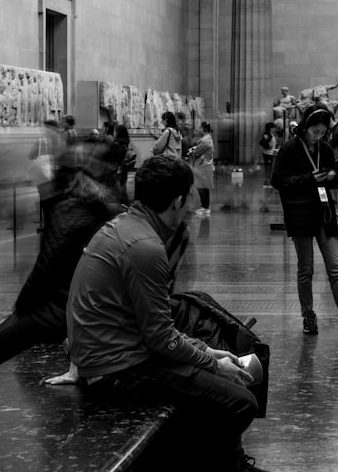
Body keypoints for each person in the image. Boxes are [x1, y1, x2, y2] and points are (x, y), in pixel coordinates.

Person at [66, 155, 268, 472]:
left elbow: (154, 326)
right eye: (188, 199)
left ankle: (230, 463)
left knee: (220, 376)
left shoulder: (125, 226)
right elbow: (160, 338)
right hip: (116, 371)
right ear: (176, 201)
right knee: (241, 402)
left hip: (116, 353)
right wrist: (213, 365)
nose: (189, 207)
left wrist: (206, 351)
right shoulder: (145, 246)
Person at [0, 169, 120, 390]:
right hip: (85, 305)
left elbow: (45, 268)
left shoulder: (67, 211)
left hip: (61, 309)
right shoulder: (100, 210)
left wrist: (19, 311)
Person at [270, 106, 338, 337]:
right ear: (305, 127)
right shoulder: (290, 149)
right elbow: (278, 180)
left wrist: (329, 177)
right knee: (306, 268)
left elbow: (332, 176)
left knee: (336, 267)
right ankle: (308, 314)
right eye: (314, 131)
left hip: (323, 212)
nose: (318, 136)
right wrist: (309, 179)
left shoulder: (325, 149)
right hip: (300, 214)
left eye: (322, 132)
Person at [189, 121, 215, 216]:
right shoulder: (207, 139)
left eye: (200, 128)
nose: (198, 130)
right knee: (204, 186)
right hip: (204, 166)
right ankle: (205, 206)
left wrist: (192, 151)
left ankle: (205, 207)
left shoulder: (205, 140)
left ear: (205, 129)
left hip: (202, 167)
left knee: (201, 186)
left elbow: (196, 153)